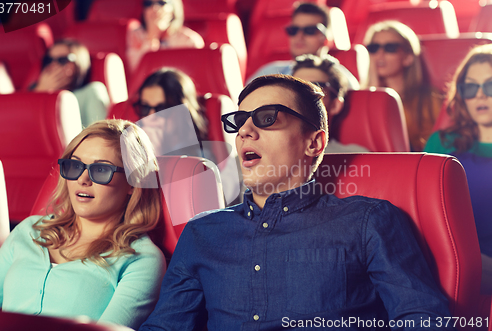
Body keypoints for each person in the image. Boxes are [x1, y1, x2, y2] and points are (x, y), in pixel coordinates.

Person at [139, 74, 452, 330]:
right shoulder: (202, 232)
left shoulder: (368, 221)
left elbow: (424, 320)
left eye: (266, 118)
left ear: (314, 143)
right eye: (239, 121)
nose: (245, 131)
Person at [0, 119, 165, 330]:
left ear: (133, 182)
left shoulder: (142, 260)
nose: (83, 179)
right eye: (75, 165)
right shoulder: (30, 230)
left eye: (101, 170)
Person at [424, 44, 492, 293]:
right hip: (454, 259)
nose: (481, 96)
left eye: (490, 85)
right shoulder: (442, 143)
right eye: (471, 87)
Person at [134, 67, 242, 205]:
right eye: (145, 108)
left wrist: (160, 159)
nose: (151, 116)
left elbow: (194, 206)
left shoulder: (202, 157)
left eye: (162, 109)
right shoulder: (133, 147)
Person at [363, 20, 442, 151]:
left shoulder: (430, 99)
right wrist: (372, 91)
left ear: (408, 57)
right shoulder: (357, 100)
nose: (379, 54)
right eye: (373, 48)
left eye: (390, 48)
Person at [246, 2, 359, 90]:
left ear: (326, 39)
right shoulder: (267, 73)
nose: (299, 36)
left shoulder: (343, 80)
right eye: (294, 30)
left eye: (309, 30)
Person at [292, 53, 369, 152]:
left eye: (315, 87)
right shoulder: (267, 151)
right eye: (295, 86)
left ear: (335, 105)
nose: (302, 94)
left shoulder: (356, 156)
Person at [30, 39, 110, 128]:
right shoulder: (34, 89)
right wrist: (41, 91)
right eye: (49, 60)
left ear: (78, 63)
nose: (53, 65)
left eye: (63, 60)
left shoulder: (91, 91)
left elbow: (100, 135)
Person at [127, 0, 205, 72]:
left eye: (162, 3)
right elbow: (136, 70)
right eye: (148, 3)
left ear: (173, 9)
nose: (155, 8)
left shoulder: (189, 40)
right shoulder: (136, 35)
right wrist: (151, 36)